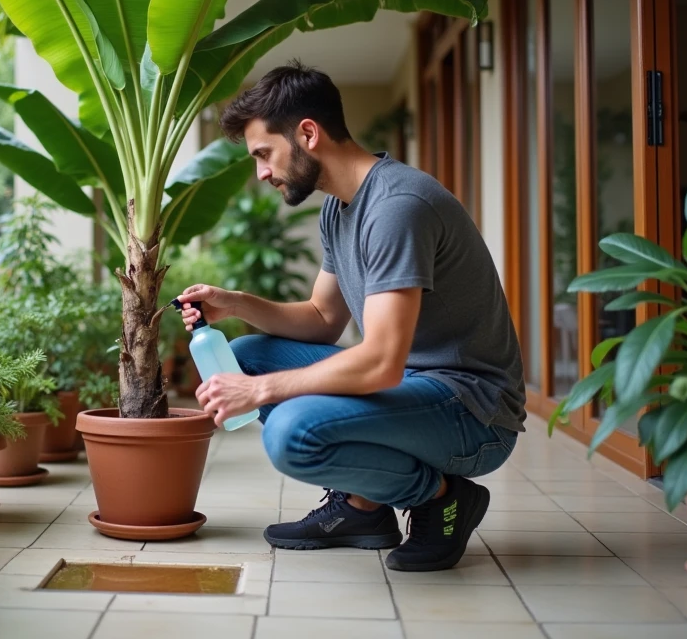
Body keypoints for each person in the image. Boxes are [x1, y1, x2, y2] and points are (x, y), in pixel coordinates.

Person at [177, 60, 526, 572]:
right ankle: (365, 508)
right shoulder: (339, 209)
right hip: (414, 387)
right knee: (246, 355)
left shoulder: (397, 207)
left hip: (472, 410)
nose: (262, 173)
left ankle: (443, 497)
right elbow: (322, 318)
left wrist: (261, 393)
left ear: (308, 134)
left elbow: (381, 363)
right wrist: (236, 303)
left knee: (291, 433)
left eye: (264, 154)